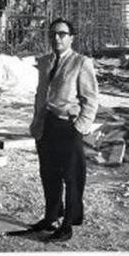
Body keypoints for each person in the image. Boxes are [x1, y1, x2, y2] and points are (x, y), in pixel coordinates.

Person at [27, 18, 99, 242]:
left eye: (61, 34)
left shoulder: (81, 62)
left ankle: (67, 224)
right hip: (46, 125)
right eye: (52, 34)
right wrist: (36, 121)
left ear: (71, 37)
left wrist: (79, 127)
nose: (56, 38)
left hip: (68, 126)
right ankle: (51, 217)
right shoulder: (46, 62)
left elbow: (91, 99)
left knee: (72, 177)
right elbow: (41, 94)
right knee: (48, 174)